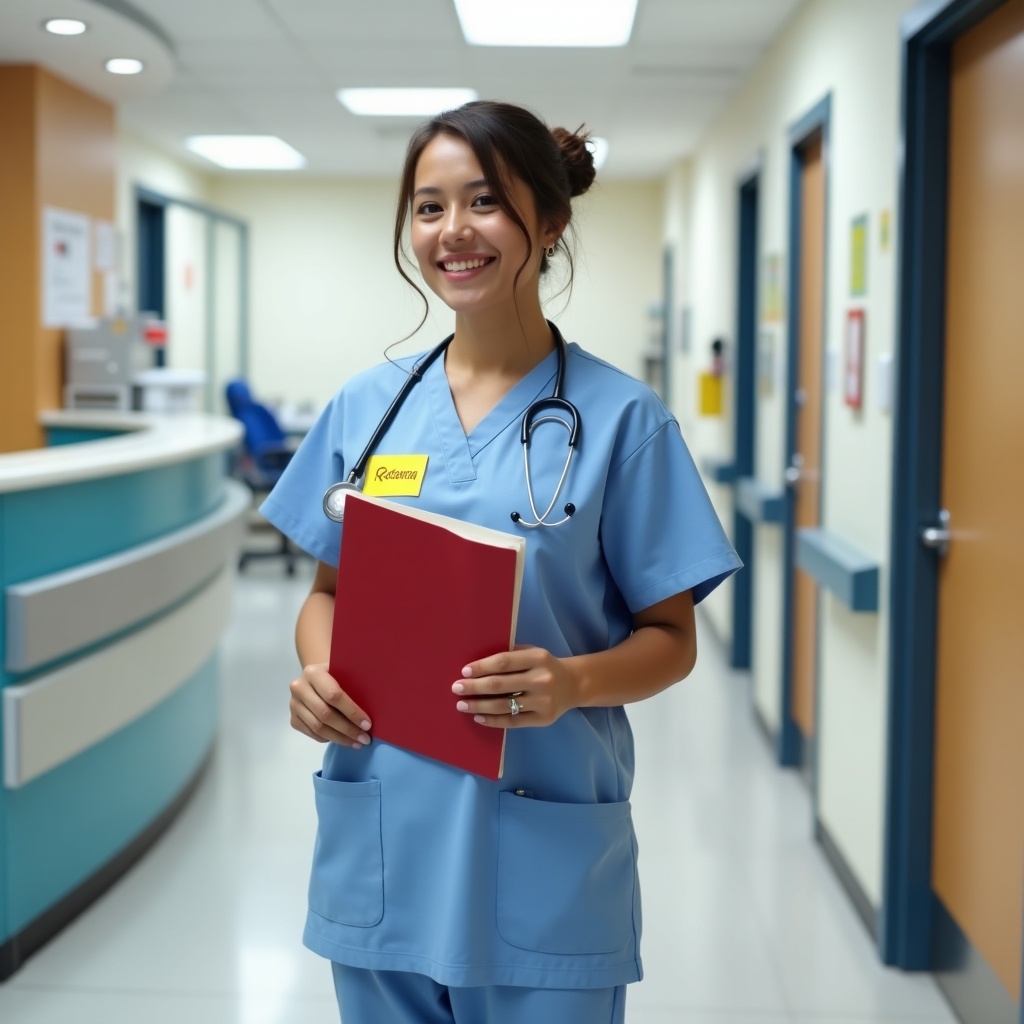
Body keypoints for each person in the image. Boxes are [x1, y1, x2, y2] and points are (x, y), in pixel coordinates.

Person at [260, 100, 741, 1024]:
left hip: (542, 852)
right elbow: (327, 593)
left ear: (549, 222)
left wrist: (569, 681)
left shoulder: (623, 422)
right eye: (428, 206)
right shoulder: (369, 409)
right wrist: (318, 669)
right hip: (385, 846)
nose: (453, 232)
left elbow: (672, 639)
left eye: (484, 202)